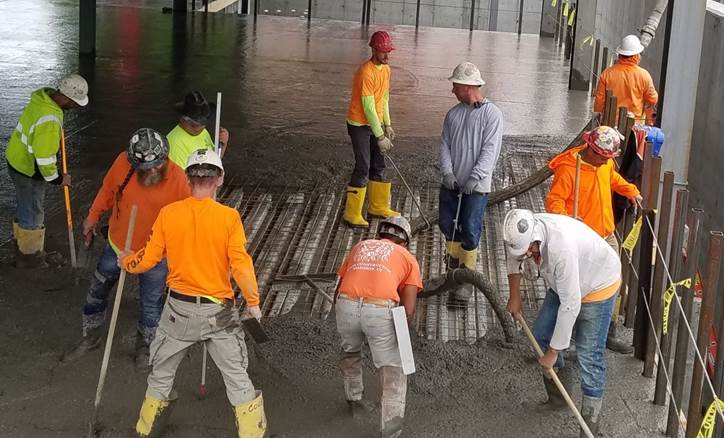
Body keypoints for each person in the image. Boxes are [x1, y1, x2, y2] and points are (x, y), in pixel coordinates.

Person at [119, 148, 266, 438]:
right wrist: (253, 302)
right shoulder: (229, 217)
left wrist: (127, 260)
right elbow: (241, 264)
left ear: (188, 179)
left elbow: (147, 260)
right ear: (219, 179)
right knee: (237, 377)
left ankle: (147, 430)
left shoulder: (169, 214)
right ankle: (253, 434)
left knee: (160, 376)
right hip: (218, 314)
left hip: (177, 312)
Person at [61, 128, 191, 370]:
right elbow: (108, 191)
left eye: (157, 165)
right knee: (97, 288)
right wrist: (93, 216)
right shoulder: (123, 163)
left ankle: (145, 346)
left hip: (155, 255)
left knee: (151, 303)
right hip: (118, 245)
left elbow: (189, 223)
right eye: (146, 167)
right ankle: (91, 336)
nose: (152, 170)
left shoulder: (180, 180)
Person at [503, 209, 622, 437]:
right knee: (541, 336)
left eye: (528, 251)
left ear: (534, 241)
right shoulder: (520, 234)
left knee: (590, 355)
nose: (525, 255)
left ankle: (590, 426)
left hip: (599, 284)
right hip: (564, 284)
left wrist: (554, 352)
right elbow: (513, 259)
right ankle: (559, 398)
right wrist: (514, 296)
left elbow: (571, 304)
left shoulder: (560, 248)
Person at [546, 125, 642, 354]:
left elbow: (613, 178)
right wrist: (567, 218)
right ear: (593, 150)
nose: (607, 161)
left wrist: (631, 191)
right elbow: (554, 202)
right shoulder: (568, 170)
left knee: (611, 285)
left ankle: (607, 332)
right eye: (604, 157)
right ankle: (565, 338)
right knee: (577, 289)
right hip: (583, 242)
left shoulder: (604, 163)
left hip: (606, 236)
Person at [335, 216, 422, 438]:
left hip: (345, 304)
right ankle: (390, 431)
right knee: (394, 369)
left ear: (379, 235)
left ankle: (354, 402)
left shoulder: (360, 246)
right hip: (379, 309)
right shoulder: (408, 258)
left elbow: (341, 285)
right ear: (405, 242)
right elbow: (409, 309)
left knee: (350, 353)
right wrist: (400, 340)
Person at [5, 73, 89, 268]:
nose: (75, 107)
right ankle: (30, 258)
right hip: (28, 170)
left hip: (16, 160)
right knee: (33, 212)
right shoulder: (50, 118)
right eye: (75, 103)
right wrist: (59, 179)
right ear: (67, 98)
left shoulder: (42, 99)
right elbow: (44, 158)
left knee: (25, 205)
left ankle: (21, 247)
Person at [439, 62, 503, 305]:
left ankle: (465, 280)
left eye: (455, 85)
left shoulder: (492, 115)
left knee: (470, 227)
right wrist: (447, 173)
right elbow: (444, 144)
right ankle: (453, 271)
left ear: (467, 86)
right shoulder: (453, 115)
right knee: (448, 224)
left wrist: (475, 177)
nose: (452, 90)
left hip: (476, 189)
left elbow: (490, 150)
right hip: (452, 184)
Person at [343, 30, 400, 227]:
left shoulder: (386, 70)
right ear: (374, 50)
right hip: (359, 124)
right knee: (363, 166)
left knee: (378, 164)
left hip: (375, 123)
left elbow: (383, 99)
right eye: (383, 51)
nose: (386, 55)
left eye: (388, 51)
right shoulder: (365, 72)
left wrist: (388, 124)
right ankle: (352, 214)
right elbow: (368, 108)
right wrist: (380, 135)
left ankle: (377, 206)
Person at [594, 35, 658, 125]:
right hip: (635, 125)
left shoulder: (607, 73)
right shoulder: (644, 75)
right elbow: (653, 100)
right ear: (636, 56)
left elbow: (599, 102)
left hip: (610, 124)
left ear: (620, 54)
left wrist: (599, 121)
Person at [167, 90, 229, 168]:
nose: (201, 128)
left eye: (203, 123)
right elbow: (182, 179)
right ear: (182, 119)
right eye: (195, 125)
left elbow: (215, 162)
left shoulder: (203, 132)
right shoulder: (174, 145)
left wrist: (222, 145)